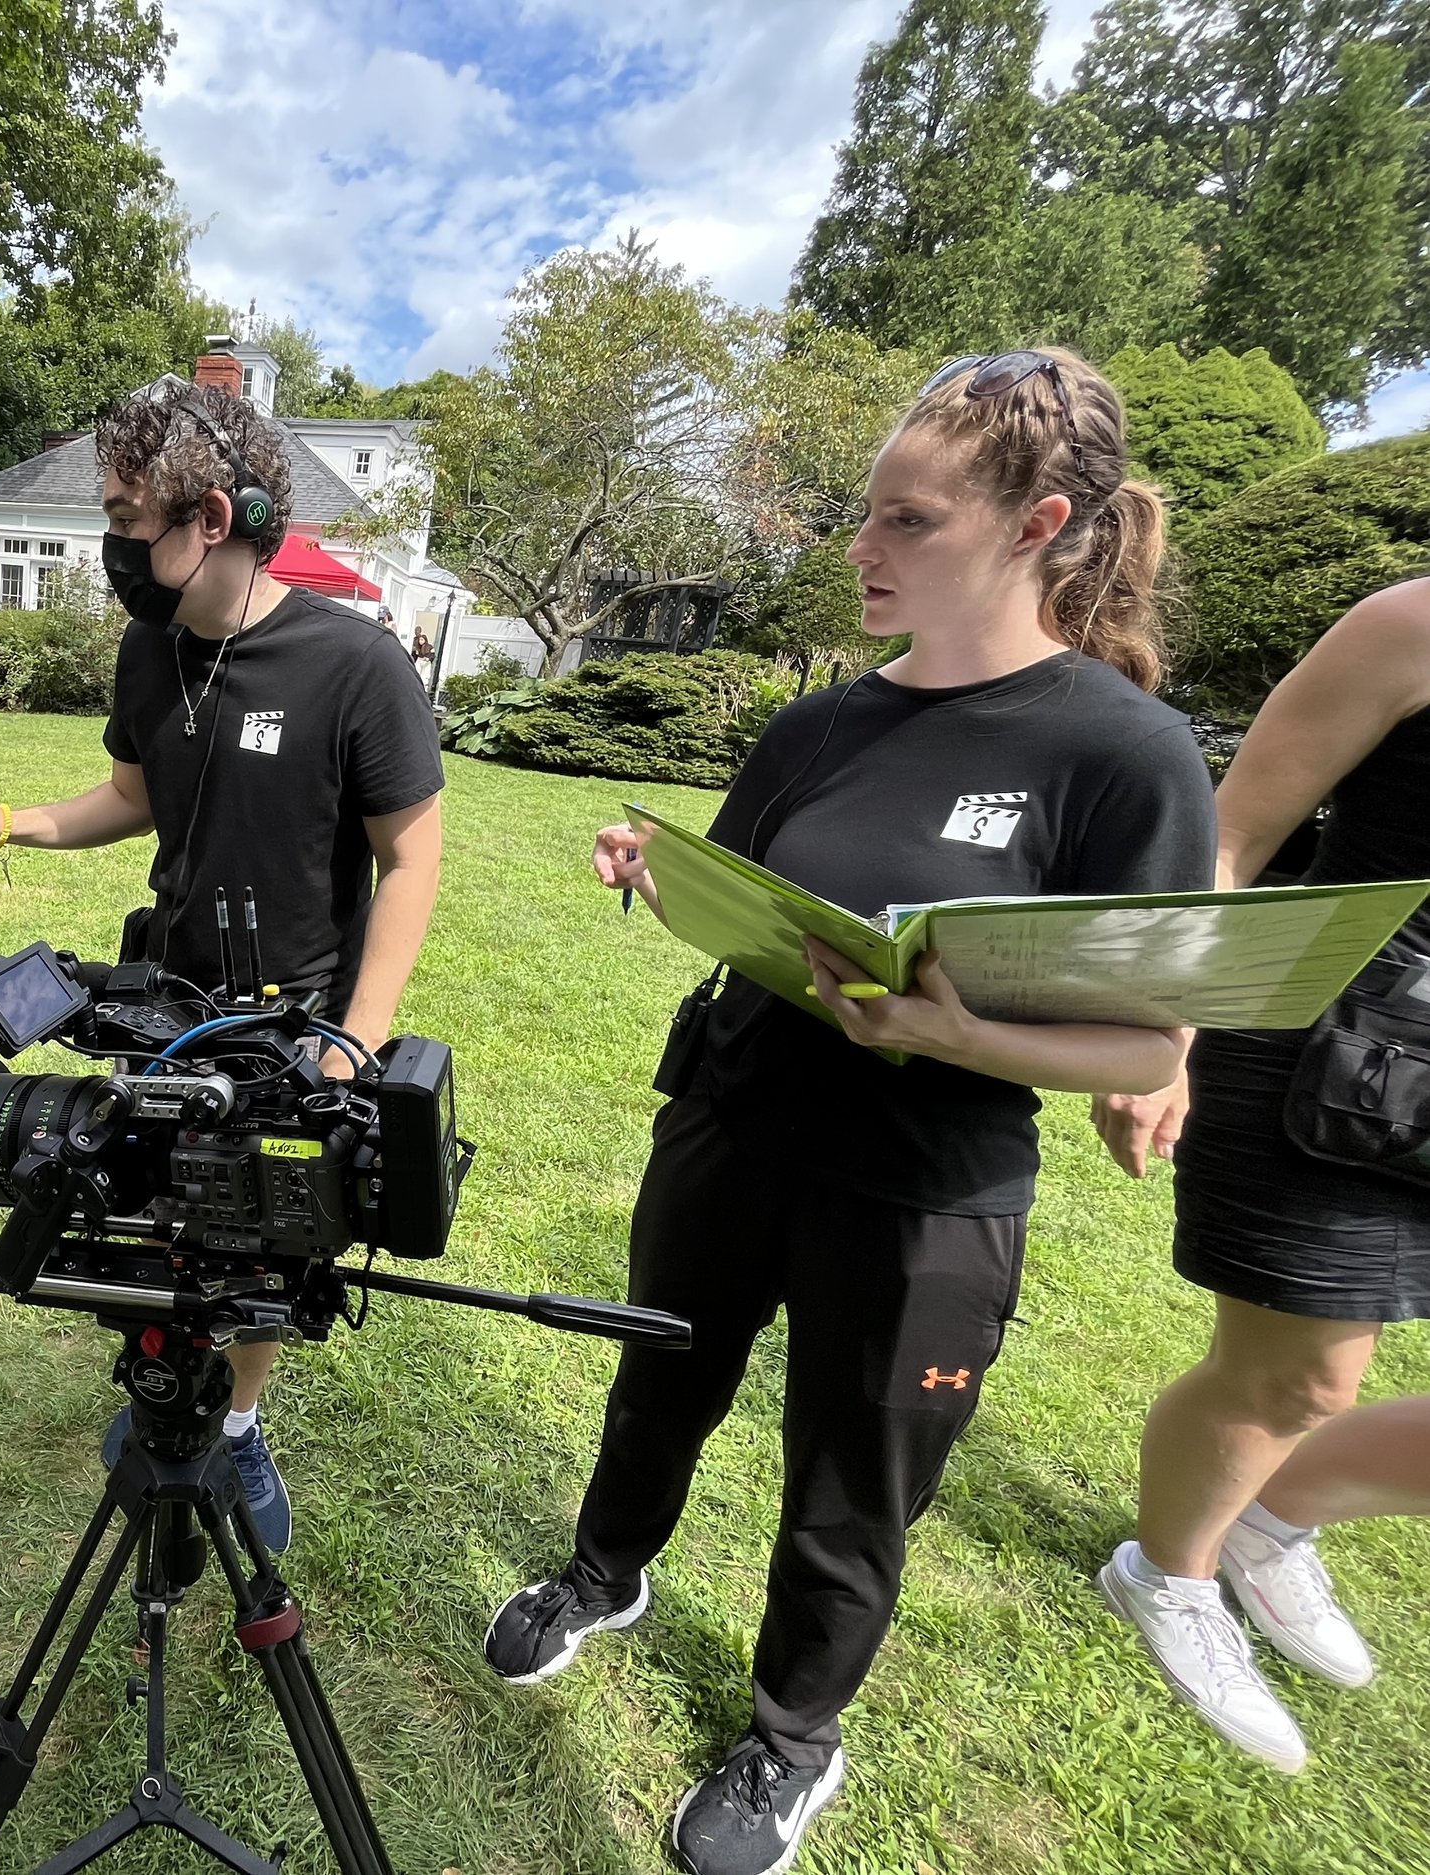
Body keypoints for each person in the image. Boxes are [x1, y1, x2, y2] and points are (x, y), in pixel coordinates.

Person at [482, 349, 1216, 1875]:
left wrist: (958, 1027)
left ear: (1039, 523)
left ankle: (790, 1734)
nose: (863, 548)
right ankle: (605, 1570)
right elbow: (744, 891)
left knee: (855, 1468)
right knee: (659, 1376)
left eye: (907, 518)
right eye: (865, 515)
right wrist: (659, 866)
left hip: (925, 1181)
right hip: (735, 1119)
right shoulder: (815, 722)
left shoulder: (1120, 751)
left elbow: (1146, 1041)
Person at [0, 378, 445, 1555]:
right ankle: (172, 1396)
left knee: (257, 1239)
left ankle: (238, 1425)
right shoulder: (149, 655)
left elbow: (410, 862)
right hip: (167, 998)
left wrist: (352, 1035)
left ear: (215, 516)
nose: (111, 543)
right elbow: (133, 798)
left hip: (296, 1016)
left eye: (125, 516)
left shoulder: (354, 667)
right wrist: (5, 821)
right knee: (166, 1217)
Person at [1090, 579, 1430, 1774]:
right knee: (1298, 1381)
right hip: (1341, 1057)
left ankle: (1267, 1522)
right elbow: (1233, 836)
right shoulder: (1412, 626)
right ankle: (1169, 1571)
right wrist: (1162, 1030)